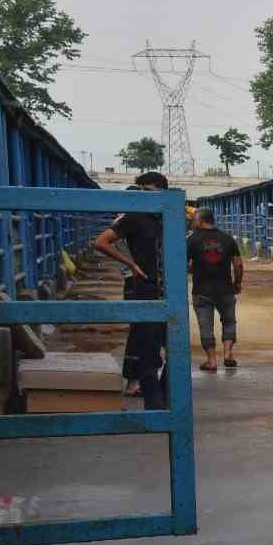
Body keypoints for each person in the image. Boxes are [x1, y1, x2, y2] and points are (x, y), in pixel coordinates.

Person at [92, 172, 169, 410]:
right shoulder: (133, 217)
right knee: (147, 345)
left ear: (160, 191)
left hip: (168, 289)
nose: (143, 195)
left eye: (148, 190)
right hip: (145, 288)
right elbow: (101, 241)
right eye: (141, 190)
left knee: (172, 344)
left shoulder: (166, 217)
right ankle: (154, 405)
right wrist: (131, 263)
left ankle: (165, 398)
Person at [186, 208, 243, 372]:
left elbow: (183, 263)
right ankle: (228, 354)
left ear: (200, 220)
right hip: (225, 289)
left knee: (206, 326)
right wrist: (237, 283)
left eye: (195, 220)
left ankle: (211, 361)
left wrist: (193, 269)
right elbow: (238, 265)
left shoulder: (192, 239)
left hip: (201, 290)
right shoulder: (227, 238)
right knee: (229, 321)